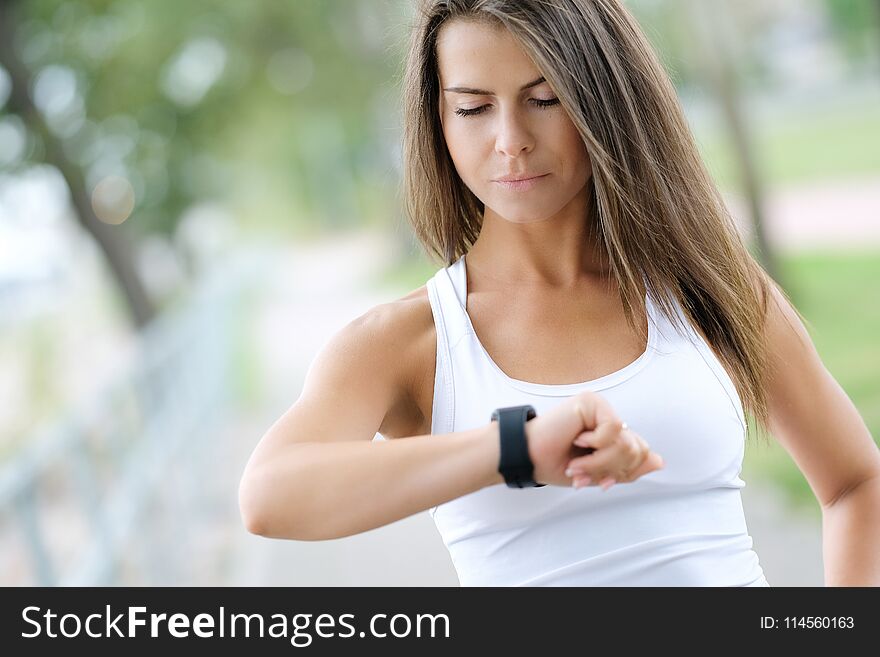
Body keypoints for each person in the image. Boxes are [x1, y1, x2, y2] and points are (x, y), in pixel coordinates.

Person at [239, 0, 880, 586]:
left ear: (604, 102)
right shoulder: (408, 343)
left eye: (544, 98)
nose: (510, 139)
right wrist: (514, 448)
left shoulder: (707, 285)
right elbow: (269, 496)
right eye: (473, 107)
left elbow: (856, 483)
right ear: (439, 121)